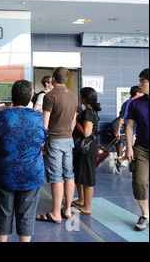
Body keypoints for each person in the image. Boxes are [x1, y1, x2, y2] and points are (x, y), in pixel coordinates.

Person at [0, 80, 47, 242]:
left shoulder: (0, 117)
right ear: (30, 97)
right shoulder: (37, 117)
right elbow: (41, 141)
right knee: (26, 215)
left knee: (2, 212)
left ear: (12, 96)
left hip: (3, 174)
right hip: (32, 174)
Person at [36, 67, 77, 224]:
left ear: (53, 78)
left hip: (54, 141)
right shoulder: (73, 96)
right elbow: (73, 120)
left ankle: (55, 213)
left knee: (56, 177)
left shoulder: (50, 96)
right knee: (69, 174)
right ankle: (67, 210)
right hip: (68, 139)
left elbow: (45, 123)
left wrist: (41, 141)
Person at [125, 68, 149, 231]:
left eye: (143, 81)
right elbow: (130, 125)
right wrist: (128, 147)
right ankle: (145, 215)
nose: (139, 84)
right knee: (139, 181)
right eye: (139, 80)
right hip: (141, 148)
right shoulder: (135, 103)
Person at [71, 87, 101, 215]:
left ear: (84, 98)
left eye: (80, 95)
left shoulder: (89, 112)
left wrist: (76, 120)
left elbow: (86, 132)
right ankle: (81, 199)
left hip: (87, 149)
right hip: (83, 149)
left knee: (87, 176)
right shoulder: (90, 111)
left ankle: (87, 206)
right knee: (79, 173)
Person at [113, 86, 143, 171]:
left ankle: (122, 162)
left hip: (136, 131)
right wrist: (118, 131)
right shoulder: (128, 103)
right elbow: (121, 118)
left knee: (136, 150)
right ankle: (123, 162)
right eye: (141, 92)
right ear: (137, 93)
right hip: (131, 131)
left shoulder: (137, 103)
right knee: (137, 151)